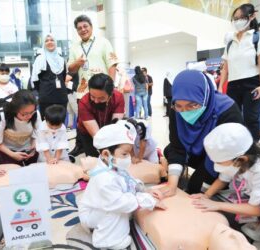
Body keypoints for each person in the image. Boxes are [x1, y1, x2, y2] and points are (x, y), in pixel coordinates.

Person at [78, 121, 165, 249]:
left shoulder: (113, 165)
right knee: (116, 213)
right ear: (106, 154)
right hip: (94, 214)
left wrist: (145, 190)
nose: (128, 157)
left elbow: (129, 180)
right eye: (124, 154)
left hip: (103, 205)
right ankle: (106, 241)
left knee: (124, 206)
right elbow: (121, 203)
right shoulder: (104, 180)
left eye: (129, 153)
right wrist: (148, 200)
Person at [193, 123, 260, 242]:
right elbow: (223, 179)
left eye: (221, 162)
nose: (218, 166)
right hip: (253, 194)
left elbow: (257, 209)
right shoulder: (239, 160)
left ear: (242, 159)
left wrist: (217, 205)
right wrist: (206, 195)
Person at [162, 69, 243, 196]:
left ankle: (210, 180)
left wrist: (206, 191)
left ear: (205, 97)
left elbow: (228, 153)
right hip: (198, 151)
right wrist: (171, 185)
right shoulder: (175, 110)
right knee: (169, 151)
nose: (185, 112)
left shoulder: (227, 110)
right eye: (179, 106)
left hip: (219, 156)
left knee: (195, 186)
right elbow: (177, 148)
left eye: (192, 105)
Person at [218, 3, 260, 141]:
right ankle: (238, 147)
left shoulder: (259, 37)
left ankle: (252, 151)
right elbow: (225, 67)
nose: (237, 21)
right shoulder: (231, 41)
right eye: (235, 19)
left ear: (252, 16)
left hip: (252, 82)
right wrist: (219, 87)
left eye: (241, 18)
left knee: (251, 119)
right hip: (233, 85)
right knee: (233, 118)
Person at [68, 14, 118, 157]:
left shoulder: (103, 42)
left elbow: (112, 64)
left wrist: (111, 88)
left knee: (104, 118)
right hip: (83, 91)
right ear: (77, 31)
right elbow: (71, 69)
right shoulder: (74, 47)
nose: (83, 30)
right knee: (82, 122)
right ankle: (82, 147)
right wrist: (78, 62)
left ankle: (107, 147)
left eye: (85, 26)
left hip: (101, 90)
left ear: (91, 27)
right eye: (79, 28)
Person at [77, 73, 125, 157]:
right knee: (92, 157)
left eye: (101, 98)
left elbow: (115, 127)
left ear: (110, 95)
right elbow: (97, 136)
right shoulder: (83, 102)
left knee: (113, 155)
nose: (96, 101)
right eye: (92, 97)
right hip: (87, 133)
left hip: (108, 127)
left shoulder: (118, 97)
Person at [0, 90, 42, 166]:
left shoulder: (35, 114)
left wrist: (34, 145)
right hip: (7, 149)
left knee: (31, 170)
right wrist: (13, 154)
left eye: (32, 112)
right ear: (14, 110)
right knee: (11, 172)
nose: (29, 116)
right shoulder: (2, 116)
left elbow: (38, 132)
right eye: (24, 114)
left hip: (28, 149)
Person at [31, 34, 68, 119]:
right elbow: (35, 80)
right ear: (44, 44)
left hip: (61, 97)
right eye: (46, 41)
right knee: (46, 125)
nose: (49, 42)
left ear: (55, 42)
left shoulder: (61, 60)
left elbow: (63, 77)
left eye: (52, 40)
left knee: (60, 124)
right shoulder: (40, 59)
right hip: (46, 98)